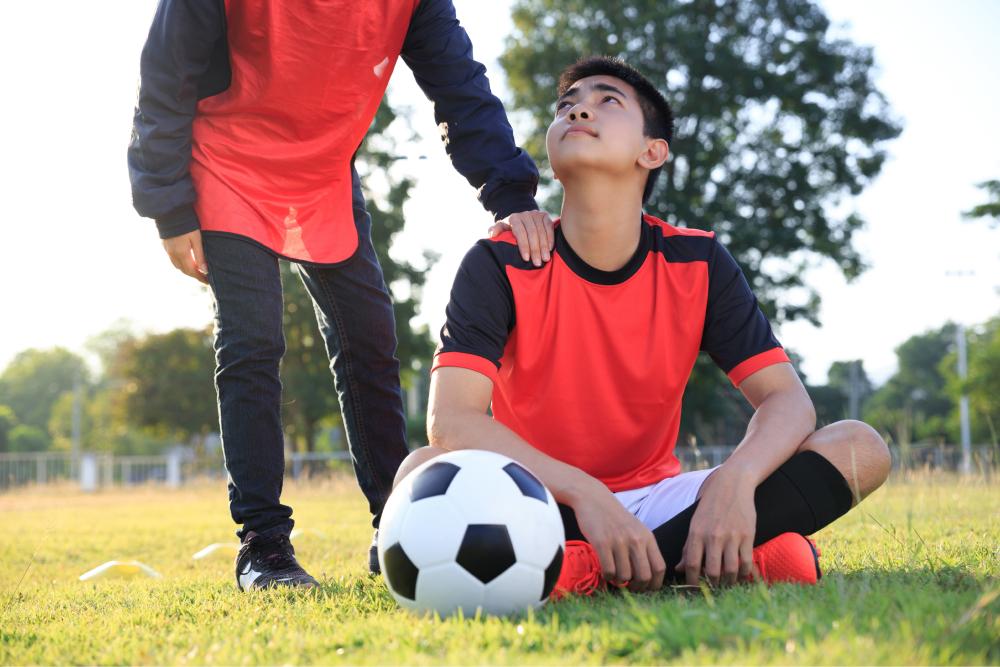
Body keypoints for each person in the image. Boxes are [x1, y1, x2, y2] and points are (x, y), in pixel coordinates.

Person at [394, 56, 891, 596]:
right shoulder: (501, 260)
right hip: (540, 495)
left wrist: (737, 481)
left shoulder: (697, 261)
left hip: (659, 498)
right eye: (567, 104)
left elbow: (788, 402)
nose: (577, 107)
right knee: (420, 470)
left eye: (607, 100)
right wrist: (586, 493)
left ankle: (585, 572)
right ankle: (730, 561)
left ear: (652, 151)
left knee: (859, 447)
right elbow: (452, 421)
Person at [128, 0, 555, 591]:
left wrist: (509, 193)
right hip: (226, 157)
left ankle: (397, 522)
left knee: (370, 339)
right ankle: (264, 545)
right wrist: (168, 204)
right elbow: (165, 74)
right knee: (253, 338)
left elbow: (458, 85)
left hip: (323, 169)